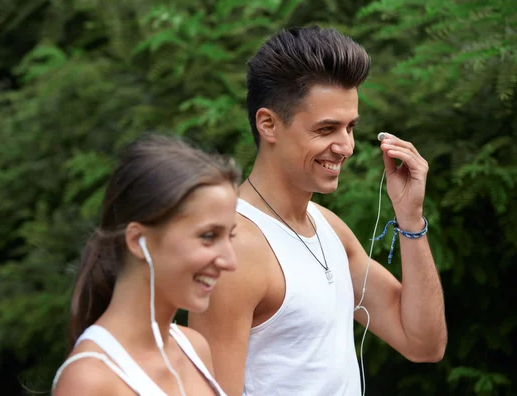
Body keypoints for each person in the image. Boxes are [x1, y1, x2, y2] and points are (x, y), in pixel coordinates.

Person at [188, 25, 448, 396]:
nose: (346, 147)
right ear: (268, 124)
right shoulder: (234, 249)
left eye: (350, 128)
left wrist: (410, 218)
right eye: (327, 129)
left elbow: (424, 344)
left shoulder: (328, 227)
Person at [52, 134, 240, 395]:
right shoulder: (90, 380)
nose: (230, 262)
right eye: (208, 236)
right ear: (139, 240)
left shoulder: (194, 348)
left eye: (230, 236)